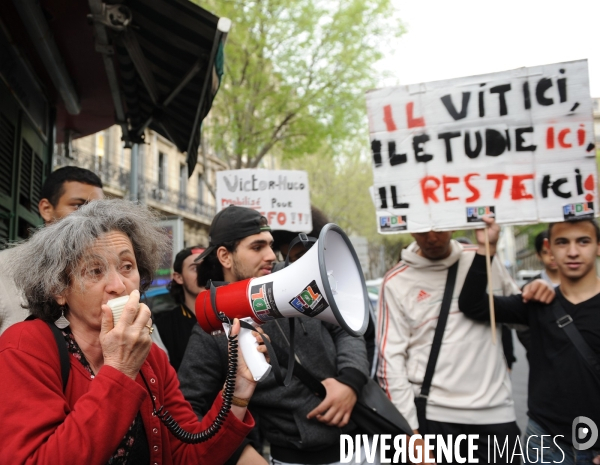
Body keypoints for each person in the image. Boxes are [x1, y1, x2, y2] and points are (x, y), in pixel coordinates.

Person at [0, 199, 261, 465]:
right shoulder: (26, 346)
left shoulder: (151, 357)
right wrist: (121, 370)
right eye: (95, 270)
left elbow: (188, 455)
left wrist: (238, 390)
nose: (118, 285)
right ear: (58, 289)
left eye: (127, 267)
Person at [178, 205, 372, 465]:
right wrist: (239, 453)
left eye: (270, 245)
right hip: (294, 457)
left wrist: (351, 380)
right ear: (225, 256)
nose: (271, 254)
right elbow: (188, 407)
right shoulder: (211, 330)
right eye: (257, 247)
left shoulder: (298, 278)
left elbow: (345, 328)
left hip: (359, 443)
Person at [459, 217, 600, 464]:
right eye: (563, 242)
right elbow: (473, 305)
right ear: (550, 249)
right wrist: (487, 249)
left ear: (598, 246)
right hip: (545, 442)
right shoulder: (538, 301)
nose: (573, 251)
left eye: (583, 241)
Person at [376, 228, 522, 464]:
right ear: (411, 229)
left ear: (452, 224)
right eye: (423, 231)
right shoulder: (396, 281)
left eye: (439, 229)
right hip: (435, 417)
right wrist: (411, 433)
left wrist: (538, 295)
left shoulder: (486, 259)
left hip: (496, 414)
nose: (432, 238)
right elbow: (390, 362)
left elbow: (521, 317)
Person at [0, 166, 104, 334]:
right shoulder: (3, 267)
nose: (92, 218)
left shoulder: (115, 274)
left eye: (99, 210)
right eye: (78, 206)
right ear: (46, 209)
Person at [153, 245, 205, 371]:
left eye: (208, 267)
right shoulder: (162, 328)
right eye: (195, 268)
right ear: (178, 277)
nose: (205, 273)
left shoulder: (231, 317)